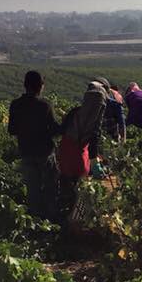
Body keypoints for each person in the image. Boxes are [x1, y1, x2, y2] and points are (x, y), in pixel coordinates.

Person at [7, 71, 60, 220]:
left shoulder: (15, 105)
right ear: (40, 87)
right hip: (44, 152)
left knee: (32, 189)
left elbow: (11, 130)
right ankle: (51, 219)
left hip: (26, 151)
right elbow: (54, 129)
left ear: (25, 85)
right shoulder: (45, 105)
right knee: (50, 186)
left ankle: (35, 221)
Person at [58, 84, 106, 220]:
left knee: (66, 186)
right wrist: (95, 163)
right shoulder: (96, 119)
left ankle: (62, 217)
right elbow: (94, 140)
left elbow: (61, 130)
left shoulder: (75, 112)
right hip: (80, 154)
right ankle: (75, 220)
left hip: (66, 151)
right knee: (80, 190)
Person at [92, 77, 126, 143]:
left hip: (111, 140)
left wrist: (123, 141)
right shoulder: (91, 104)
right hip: (97, 139)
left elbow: (122, 124)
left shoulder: (114, 105)